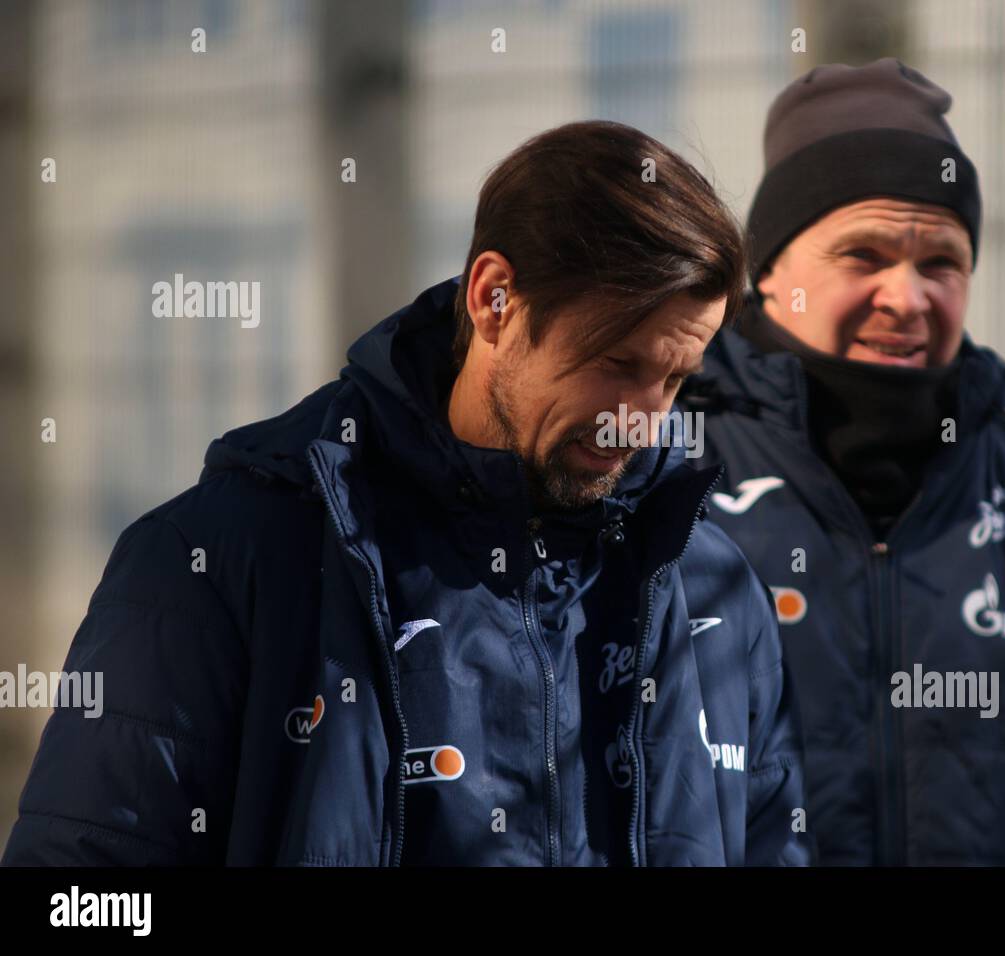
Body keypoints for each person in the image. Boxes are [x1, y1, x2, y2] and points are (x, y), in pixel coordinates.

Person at [3, 121, 810, 867]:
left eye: (675, 378)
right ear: (494, 298)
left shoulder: (712, 588)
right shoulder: (222, 562)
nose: (641, 421)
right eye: (617, 365)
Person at [680, 59, 1005, 865]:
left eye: (941, 263)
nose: (909, 297)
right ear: (770, 272)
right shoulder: (659, 475)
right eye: (864, 255)